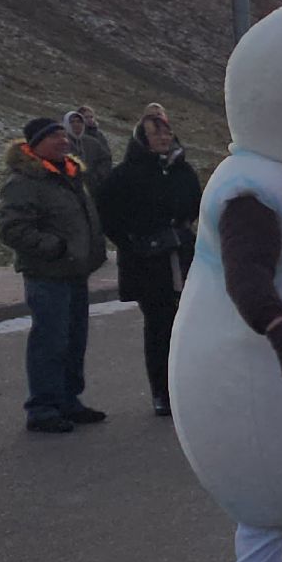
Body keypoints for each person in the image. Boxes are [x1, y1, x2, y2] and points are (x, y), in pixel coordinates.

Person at [0, 117, 108, 433]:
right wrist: (54, 247)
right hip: (47, 275)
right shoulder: (24, 181)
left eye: (63, 135)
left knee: (74, 340)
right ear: (36, 144)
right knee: (50, 341)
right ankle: (43, 407)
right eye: (54, 137)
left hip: (75, 272)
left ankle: (68, 400)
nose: (63, 141)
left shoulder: (69, 174)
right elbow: (11, 228)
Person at [95, 114, 200, 416]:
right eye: (156, 134)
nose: (164, 139)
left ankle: (187, 386)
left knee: (186, 325)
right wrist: (132, 242)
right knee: (159, 326)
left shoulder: (182, 170)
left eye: (167, 133)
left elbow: (195, 203)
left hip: (181, 257)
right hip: (147, 264)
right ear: (143, 140)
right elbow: (107, 215)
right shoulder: (125, 175)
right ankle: (162, 392)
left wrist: (182, 229)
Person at [68, 107, 115, 195]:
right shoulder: (71, 138)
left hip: (95, 181)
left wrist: (98, 175)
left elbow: (106, 158)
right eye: (86, 117)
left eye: (91, 117)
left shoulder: (99, 136)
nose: (90, 120)